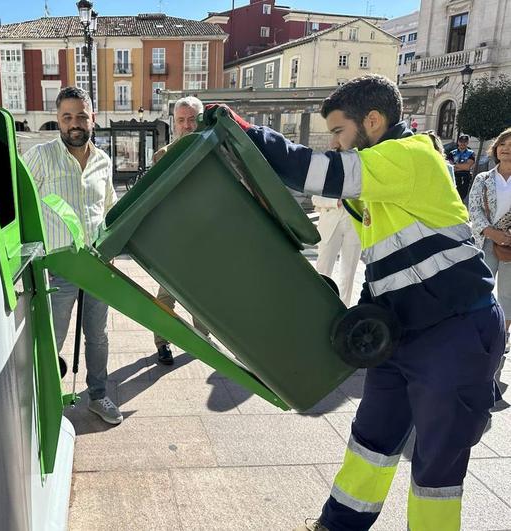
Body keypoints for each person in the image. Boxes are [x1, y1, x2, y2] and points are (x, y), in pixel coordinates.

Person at [210, 74, 503, 531]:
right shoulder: (375, 189)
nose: (335, 142)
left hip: (456, 330)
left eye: (339, 131)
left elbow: (313, 170)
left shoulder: (410, 157)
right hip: (404, 332)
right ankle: (338, 525)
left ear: (373, 120)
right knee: (371, 439)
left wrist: (246, 131)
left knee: (437, 465)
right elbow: (384, 264)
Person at [22, 86, 123, 425]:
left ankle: (98, 396)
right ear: (58, 120)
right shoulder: (40, 157)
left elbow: (108, 209)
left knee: (98, 335)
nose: (75, 123)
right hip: (59, 267)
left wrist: (111, 252)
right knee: (53, 337)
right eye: (67, 117)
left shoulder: (103, 162)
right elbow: (20, 203)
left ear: (92, 117)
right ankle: (44, 399)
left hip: (95, 265)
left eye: (81, 116)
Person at [151, 96, 212, 365]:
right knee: (166, 297)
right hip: (174, 242)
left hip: (205, 237)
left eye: (192, 119)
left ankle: (203, 340)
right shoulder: (162, 156)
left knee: (204, 295)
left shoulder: (215, 152)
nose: (187, 125)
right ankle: (162, 342)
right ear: (173, 122)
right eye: (181, 120)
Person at [468, 127, 511, 401]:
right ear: (495, 148)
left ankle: (496, 368)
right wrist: (491, 232)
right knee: (480, 297)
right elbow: (474, 210)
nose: (506, 148)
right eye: (503, 144)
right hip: (486, 244)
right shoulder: (484, 179)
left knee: (507, 302)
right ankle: (473, 353)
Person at [312, 195, 362, 306]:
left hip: (356, 223)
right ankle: (318, 305)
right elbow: (315, 198)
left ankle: (344, 308)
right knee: (323, 270)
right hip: (330, 222)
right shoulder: (327, 177)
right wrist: (335, 202)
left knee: (349, 273)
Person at [447, 133, 476, 201]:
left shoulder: (471, 153)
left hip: (465, 177)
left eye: (465, 142)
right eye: (461, 141)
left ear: (468, 142)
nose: (462, 143)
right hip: (454, 176)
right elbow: (450, 167)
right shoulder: (452, 153)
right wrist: (462, 166)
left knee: (462, 196)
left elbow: (467, 167)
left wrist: (455, 165)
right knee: (453, 196)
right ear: (458, 142)